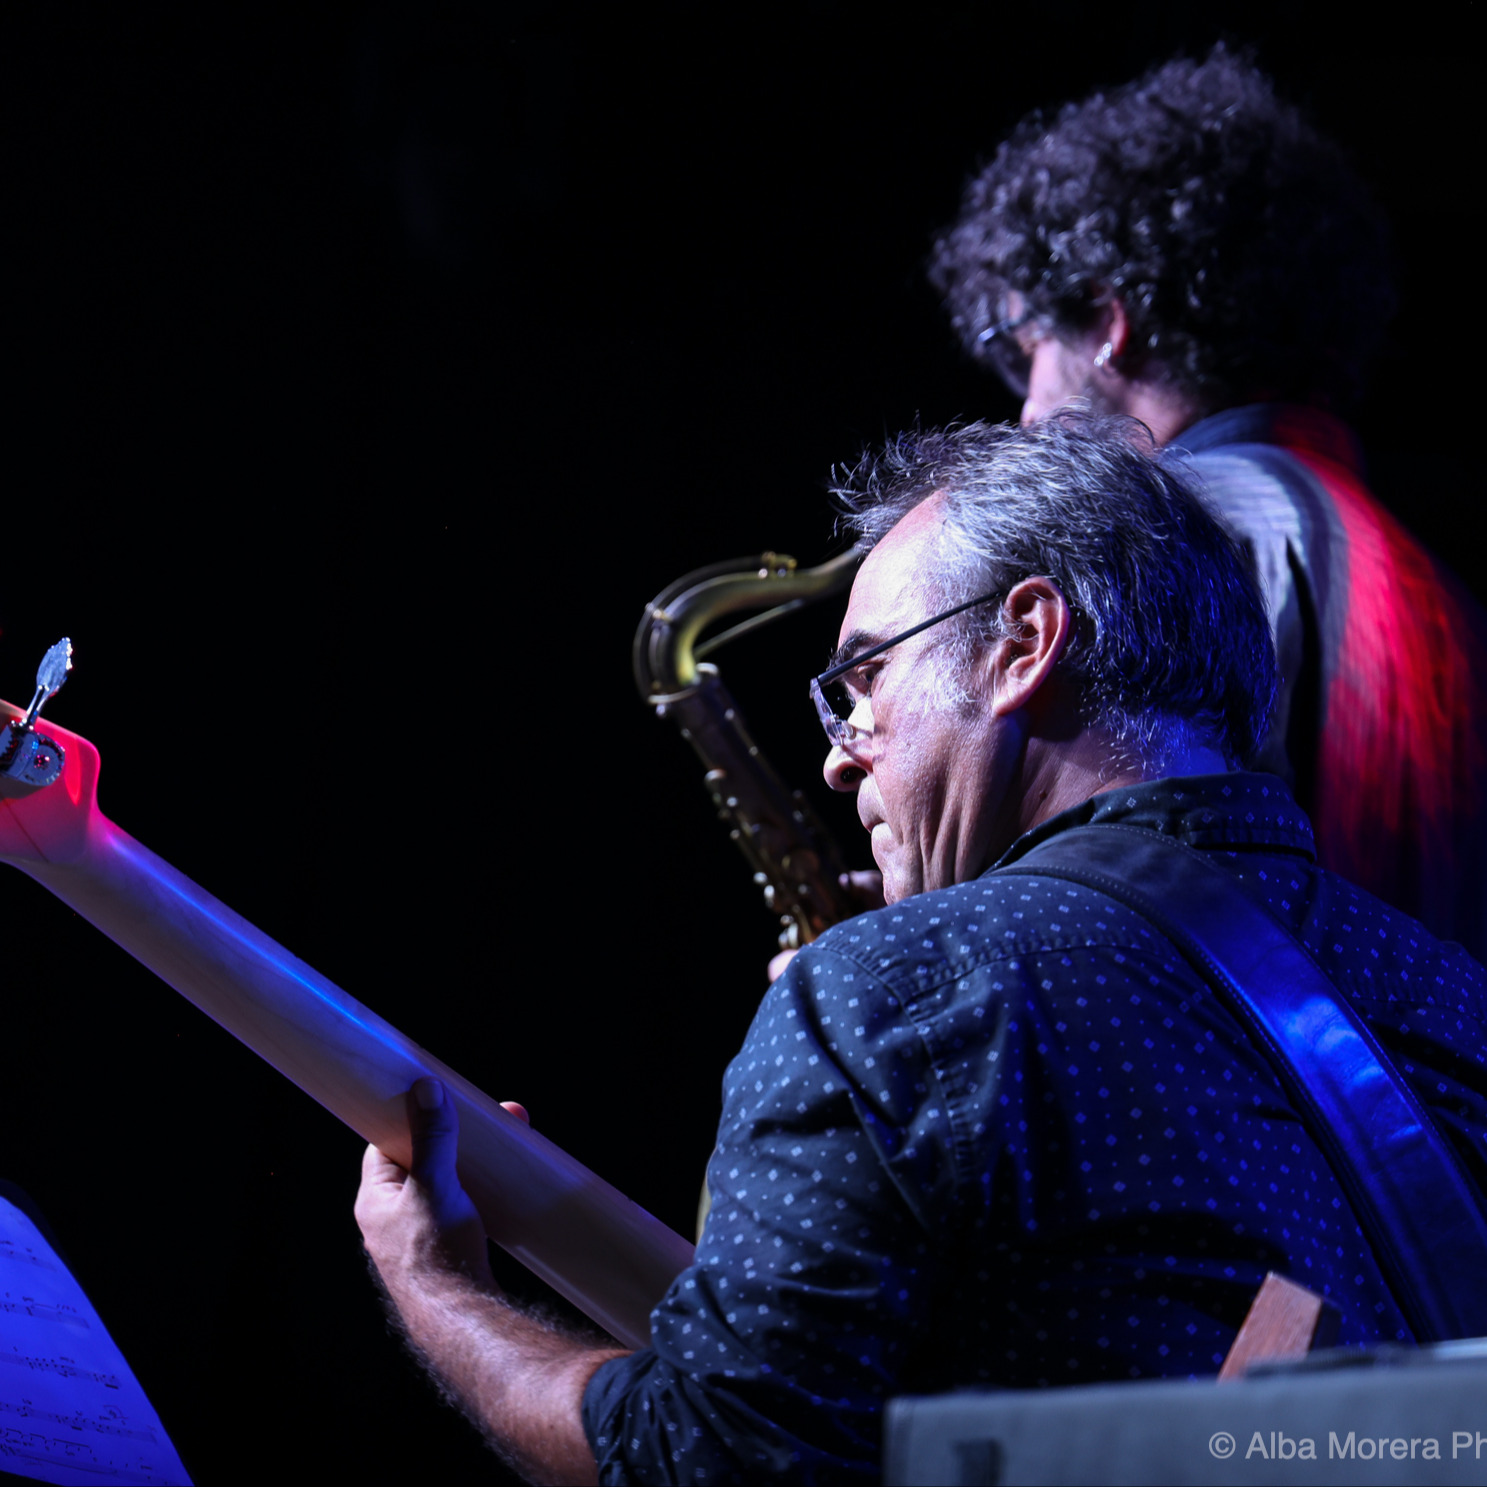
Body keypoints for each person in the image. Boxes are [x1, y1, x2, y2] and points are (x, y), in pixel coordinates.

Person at [355, 416, 1487, 1484]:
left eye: (864, 678)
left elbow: (704, 1457)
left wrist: (436, 1284)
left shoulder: (897, 988)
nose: (838, 758)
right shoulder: (1448, 989)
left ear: (1022, 642)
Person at [929, 46, 1487, 959]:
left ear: (1107, 322)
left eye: (1025, 350)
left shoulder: (1151, 534)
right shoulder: (1445, 595)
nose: (1025, 410)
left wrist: (908, 954)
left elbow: (1092, 920)